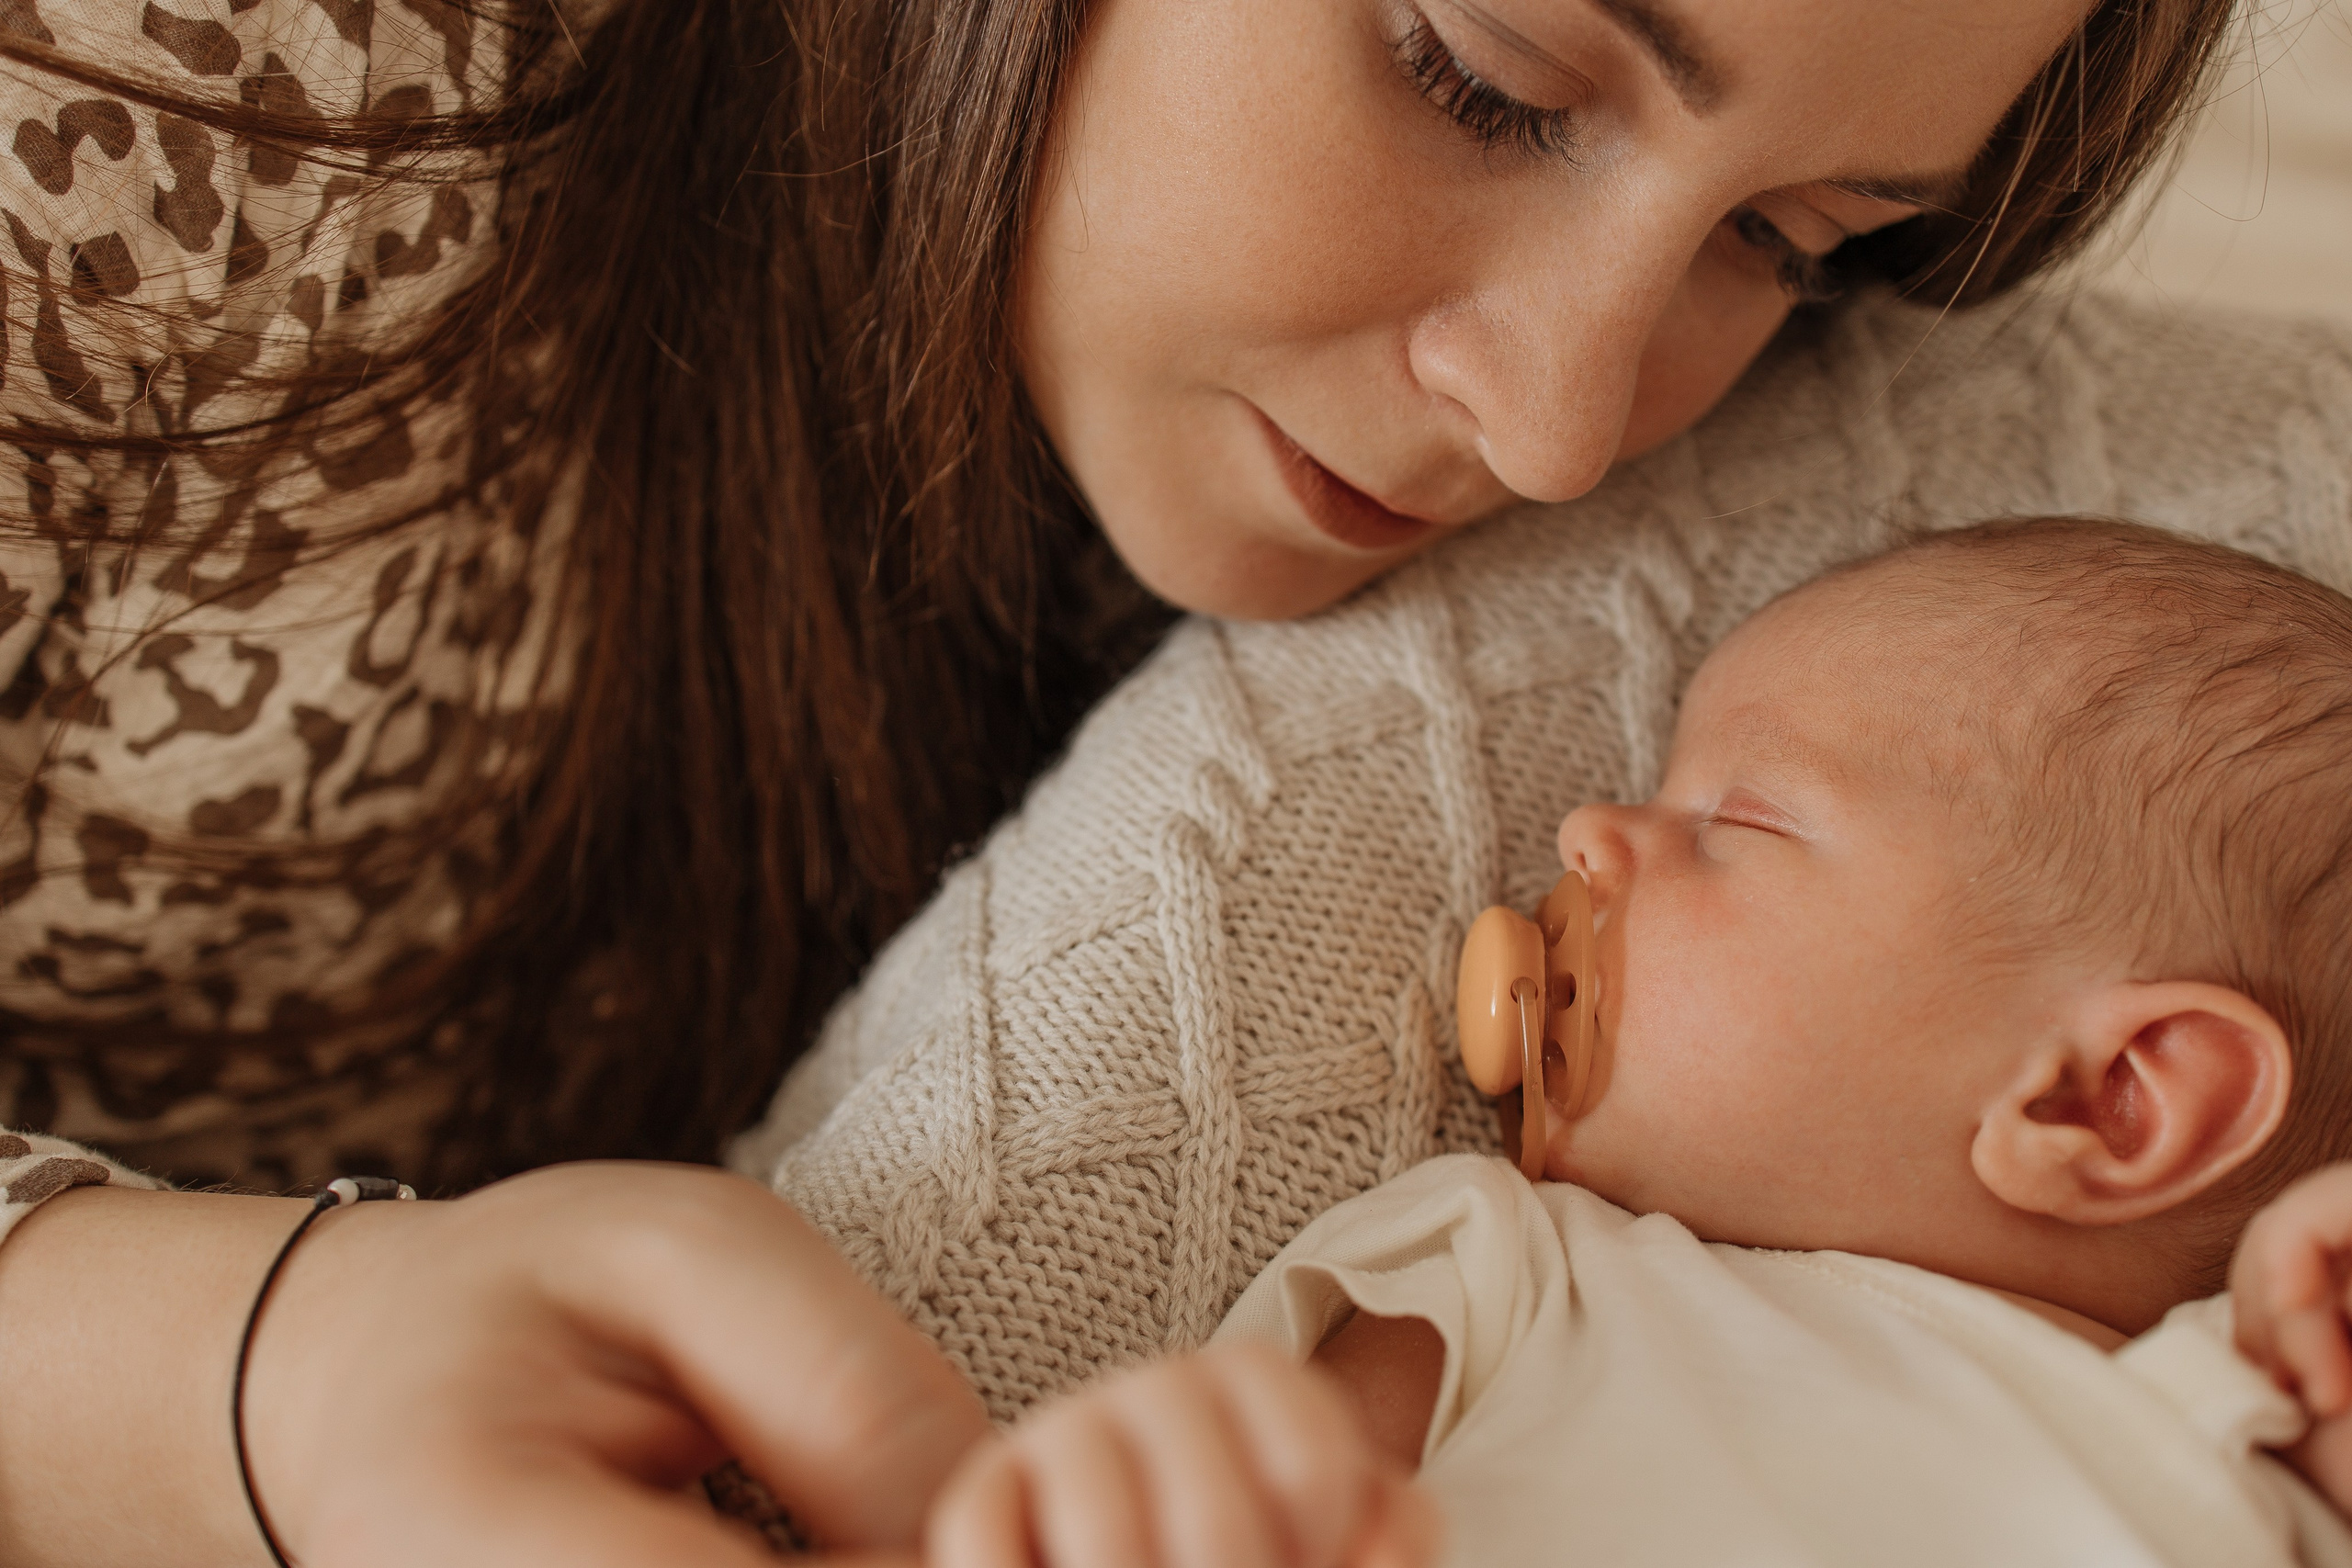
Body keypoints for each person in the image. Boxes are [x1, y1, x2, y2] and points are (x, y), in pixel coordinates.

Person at [0, 1, 2258, 1563]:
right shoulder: (208, 113)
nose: (1562, 427)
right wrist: (249, 1367)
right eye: (1477, 78)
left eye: (1786, 239)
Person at [739, 518, 2352, 1567]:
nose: (1590, 832)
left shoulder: (2254, 1425)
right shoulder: (1512, 1267)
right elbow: (1265, 1500)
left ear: (2110, 1101)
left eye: (1740, 820)